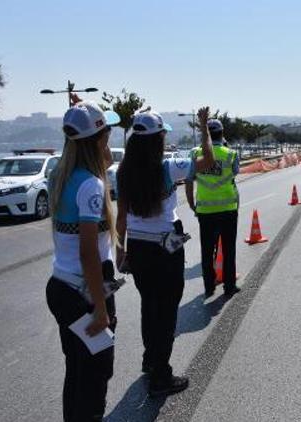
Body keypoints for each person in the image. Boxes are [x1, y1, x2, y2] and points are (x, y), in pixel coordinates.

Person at [115, 108, 216, 397]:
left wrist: (120, 251)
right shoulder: (170, 167)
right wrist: (204, 129)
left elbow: (120, 216)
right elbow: (207, 160)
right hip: (165, 247)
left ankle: (151, 360)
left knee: (150, 305)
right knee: (168, 309)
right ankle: (161, 373)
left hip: (138, 246)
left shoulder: (123, 172)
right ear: (158, 138)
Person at [46, 101, 120, 421]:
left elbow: (99, 157)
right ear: (100, 138)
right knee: (96, 373)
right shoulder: (91, 184)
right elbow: (88, 252)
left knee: (76, 370)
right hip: (84, 292)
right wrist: (101, 310)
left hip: (60, 287)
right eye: (108, 133)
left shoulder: (59, 174)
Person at [184, 118, 240, 297]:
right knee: (229, 249)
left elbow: (188, 180)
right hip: (228, 209)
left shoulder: (195, 154)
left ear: (205, 134)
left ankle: (209, 287)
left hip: (206, 211)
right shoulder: (231, 154)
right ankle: (229, 286)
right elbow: (235, 173)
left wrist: (192, 204)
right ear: (222, 133)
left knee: (207, 251)